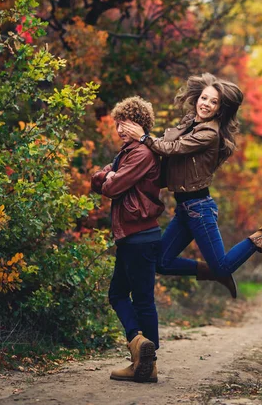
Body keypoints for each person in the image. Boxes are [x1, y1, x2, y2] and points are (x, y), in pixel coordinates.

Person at [122, 73, 262, 299]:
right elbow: (168, 145)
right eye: (204, 98)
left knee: (223, 266)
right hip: (185, 209)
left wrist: (143, 138)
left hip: (199, 208)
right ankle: (213, 272)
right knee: (161, 262)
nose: (206, 104)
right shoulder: (191, 122)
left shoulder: (209, 132)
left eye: (213, 102)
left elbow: (171, 148)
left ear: (220, 109)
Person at [91, 96, 164, 383]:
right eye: (118, 123)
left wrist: (108, 176)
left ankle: (141, 352)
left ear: (140, 124)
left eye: (126, 123)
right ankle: (141, 354)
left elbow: (110, 186)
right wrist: (107, 175)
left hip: (139, 235)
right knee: (122, 294)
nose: (120, 129)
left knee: (137, 298)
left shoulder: (141, 153)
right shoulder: (128, 152)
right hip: (133, 236)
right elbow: (100, 179)